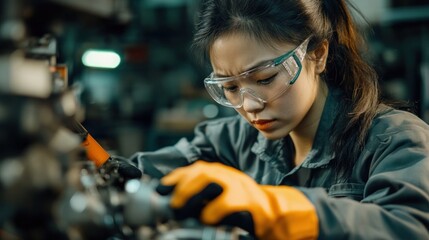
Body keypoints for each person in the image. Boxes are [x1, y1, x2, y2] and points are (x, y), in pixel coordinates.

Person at [127, 0, 429, 239]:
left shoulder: (395, 139)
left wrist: (273, 209)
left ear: (318, 55)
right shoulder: (232, 141)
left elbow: (409, 226)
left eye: (265, 78)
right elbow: (132, 176)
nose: (248, 105)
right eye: (230, 87)